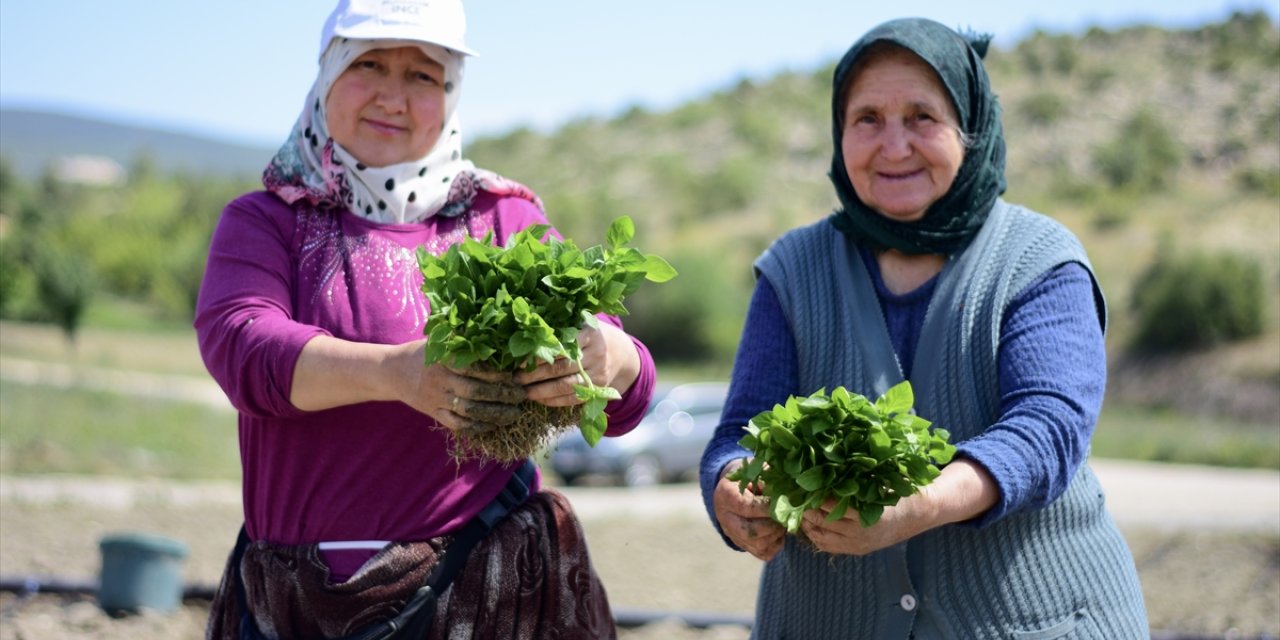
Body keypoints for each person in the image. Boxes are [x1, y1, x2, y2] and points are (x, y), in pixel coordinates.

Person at [195, 1, 655, 637]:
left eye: (423, 76)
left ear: (451, 93)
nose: (393, 96)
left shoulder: (501, 220)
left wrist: (610, 355)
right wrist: (398, 373)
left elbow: (627, 389)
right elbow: (243, 349)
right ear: (327, 75)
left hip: (483, 594)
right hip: (299, 599)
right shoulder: (269, 219)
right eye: (370, 65)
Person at [699, 17, 1149, 639]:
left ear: (969, 128)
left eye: (921, 117)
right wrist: (730, 491)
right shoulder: (793, 271)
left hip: (1036, 622)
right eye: (867, 119)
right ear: (839, 132)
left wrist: (918, 507)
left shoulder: (1038, 259)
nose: (894, 145)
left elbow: (1048, 429)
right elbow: (739, 431)